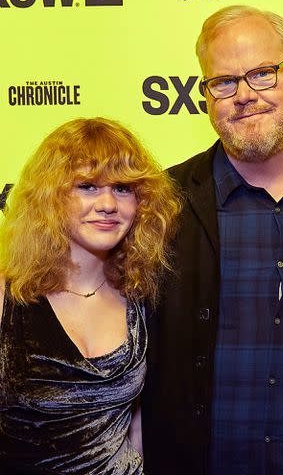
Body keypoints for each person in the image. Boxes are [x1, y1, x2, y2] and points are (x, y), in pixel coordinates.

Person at [141, 5, 283, 475]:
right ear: (206, 94)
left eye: (261, 74)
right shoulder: (159, 204)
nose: (244, 95)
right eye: (224, 82)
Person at [0, 117, 181, 475]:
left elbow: (136, 428)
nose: (108, 204)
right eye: (87, 186)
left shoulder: (140, 292)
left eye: (123, 188)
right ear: (50, 198)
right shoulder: (7, 294)